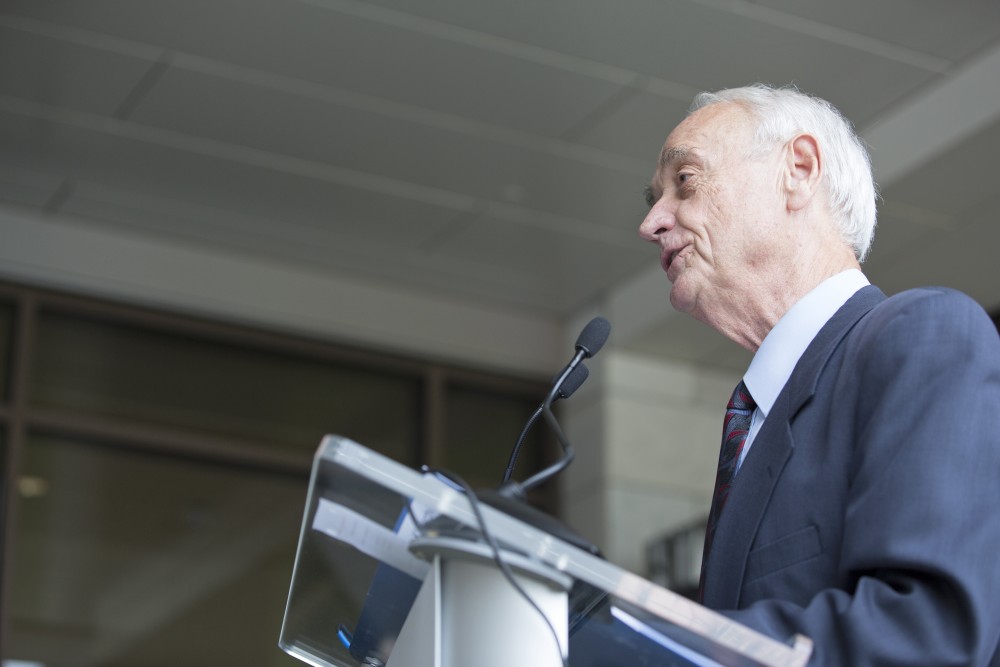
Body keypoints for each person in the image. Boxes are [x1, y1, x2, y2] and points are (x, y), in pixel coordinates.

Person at [638, 83, 1000, 666]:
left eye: (685, 181)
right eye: (656, 199)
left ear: (799, 170)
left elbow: (926, 634)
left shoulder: (924, 335)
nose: (652, 222)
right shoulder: (756, 420)